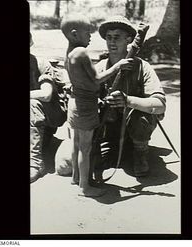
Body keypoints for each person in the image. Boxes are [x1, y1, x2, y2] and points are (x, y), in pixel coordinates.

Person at [60, 14, 133, 197]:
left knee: (77, 144)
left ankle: (76, 177)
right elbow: (96, 81)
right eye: (88, 32)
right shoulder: (82, 53)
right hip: (85, 106)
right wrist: (118, 67)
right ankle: (85, 187)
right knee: (85, 147)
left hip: (74, 104)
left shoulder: (69, 52)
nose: (91, 36)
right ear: (75, 34)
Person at [94, 16, 166, 178]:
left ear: (129, 40)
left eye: (117, 37)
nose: (112, 42)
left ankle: (140, 153)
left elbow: (159, 104)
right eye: (109, 37)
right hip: (109, 125)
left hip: (134, 124)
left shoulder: (142, 67)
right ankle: (97, 150)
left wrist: (128, 101)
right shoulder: (99, 68)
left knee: (142, 115)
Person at [30, 32, 67, 183]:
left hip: (49, 116)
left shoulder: (40, 64)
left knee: (32, 104)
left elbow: (46, 95)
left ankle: (35, 163)